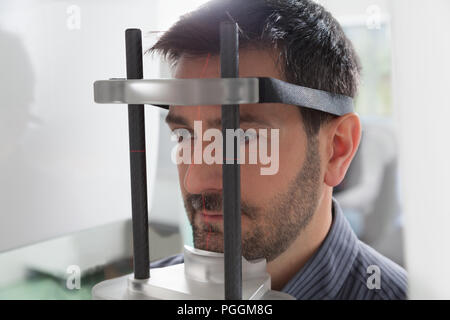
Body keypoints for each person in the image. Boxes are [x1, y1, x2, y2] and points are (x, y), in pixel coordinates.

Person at [147, 0, 407, 299]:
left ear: (337, 149)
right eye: (184, 136)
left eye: (241, 138)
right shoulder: (152, 290)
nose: (194, 181)